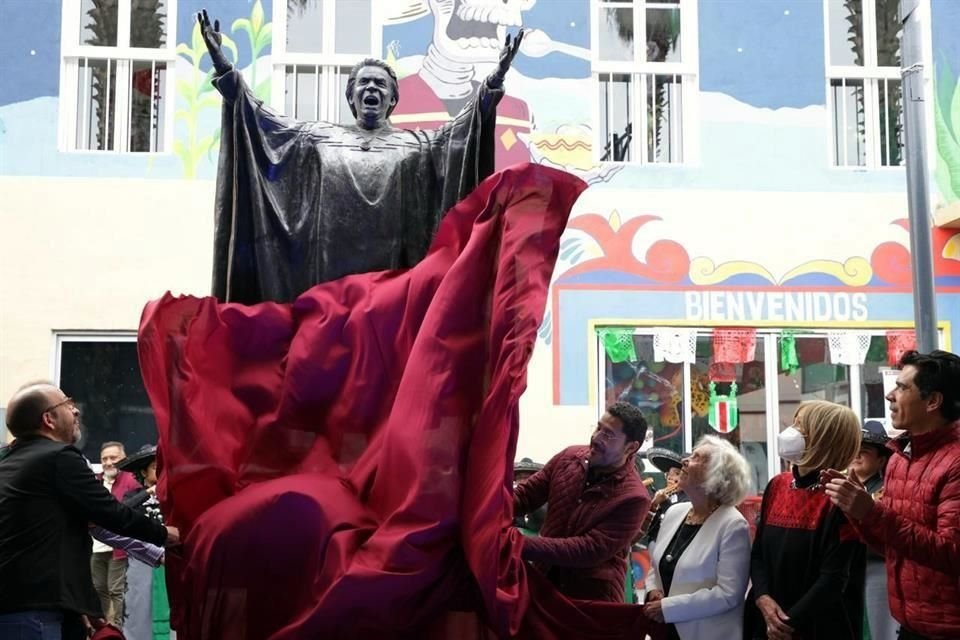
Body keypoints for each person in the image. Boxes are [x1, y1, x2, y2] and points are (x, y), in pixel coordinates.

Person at [197, 9, 525, 304]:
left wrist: (492, 83)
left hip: (390, 281)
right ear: (352, 95)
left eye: (381, 84)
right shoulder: (317, 138)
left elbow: (462, 134)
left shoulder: (418, 145)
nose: (372, 88)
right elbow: (260, 122)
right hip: (326, 278)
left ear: (393, 98)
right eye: (364, 83)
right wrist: (224, 69)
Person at [0, 382, 177, 640]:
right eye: (68, 404)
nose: (76, 411)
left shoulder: (9, 460)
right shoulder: (58, 457)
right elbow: (107, 514)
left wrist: (83, 608)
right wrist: (167, 535)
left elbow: (54, 541)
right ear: (48, 419)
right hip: (35, 610)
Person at [825, 350, 960, 640]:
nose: (890, 395)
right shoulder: (900, 456)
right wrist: (855, 507)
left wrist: (871, 512)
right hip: (910, 623)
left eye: (902, 388)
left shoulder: (956, 462)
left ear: (933, 401)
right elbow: (888, 545)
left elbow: (951, 552)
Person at [744, 400, 864, 640]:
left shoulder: (842, 497)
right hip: (763, 618)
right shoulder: (777, 485)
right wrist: (762, 597)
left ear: (823, 439)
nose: (791, 431)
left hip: (814, 625)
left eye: (801, 426)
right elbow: (758, 554)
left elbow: (833, 579)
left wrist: (784, 623)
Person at [513, 401, 651, 602]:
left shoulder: (634, 497)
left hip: (589, 601)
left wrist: (519, 545)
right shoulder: (568, 458)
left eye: (608, 435)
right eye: (598, 428)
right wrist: (485, 512)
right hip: (542, 585)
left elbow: (588, 549)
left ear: (631, 447)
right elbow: (526, 495)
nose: (596, 438)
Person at [643, 435, 753, 640]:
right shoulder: (676, 512)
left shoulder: (732, 525)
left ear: (717, 476)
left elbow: (728, 595)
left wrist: (669, 607)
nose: (684, 461)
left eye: (696, 458)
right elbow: (657, 564)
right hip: (665, 630)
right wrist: (652, 590)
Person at [846, 420, 896, 640]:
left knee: (878, 629)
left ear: (881, 460)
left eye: (864, 451)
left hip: (876, 569)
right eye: (854, 450)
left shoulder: (890, 492)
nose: (857, 455)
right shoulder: (838, 484)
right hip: (843, 569)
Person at [117, 444, 172, 640]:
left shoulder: (173, 497)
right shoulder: (133, 497)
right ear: (143, 471)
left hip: (172, 561)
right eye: (155, 466)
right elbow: (119, 513)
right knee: (139, 607)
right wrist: (150, 492)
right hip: (142, 562)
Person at [90, 441, 141, 627]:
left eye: (114, 457)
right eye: (104, 458)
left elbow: (128, 510)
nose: (109, 462)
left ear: (124, 459)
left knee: (115, 589)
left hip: (119, 546)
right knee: (98, 588)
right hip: (96, 546)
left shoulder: (132, 481)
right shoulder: (94, 481)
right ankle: (104, 627)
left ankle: (118, 627)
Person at [641, 447, 690, 543]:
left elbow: (678, 525)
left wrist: (664, 503)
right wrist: (654, 504)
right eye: (668, 474)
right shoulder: (664, 496)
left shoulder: (690, 499)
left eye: (677, 473)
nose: (670, 478)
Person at [513, 457, 546, 534]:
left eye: (526, 477)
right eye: (519, 478)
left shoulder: (544, 498)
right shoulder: (514, 499)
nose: (522, 481)